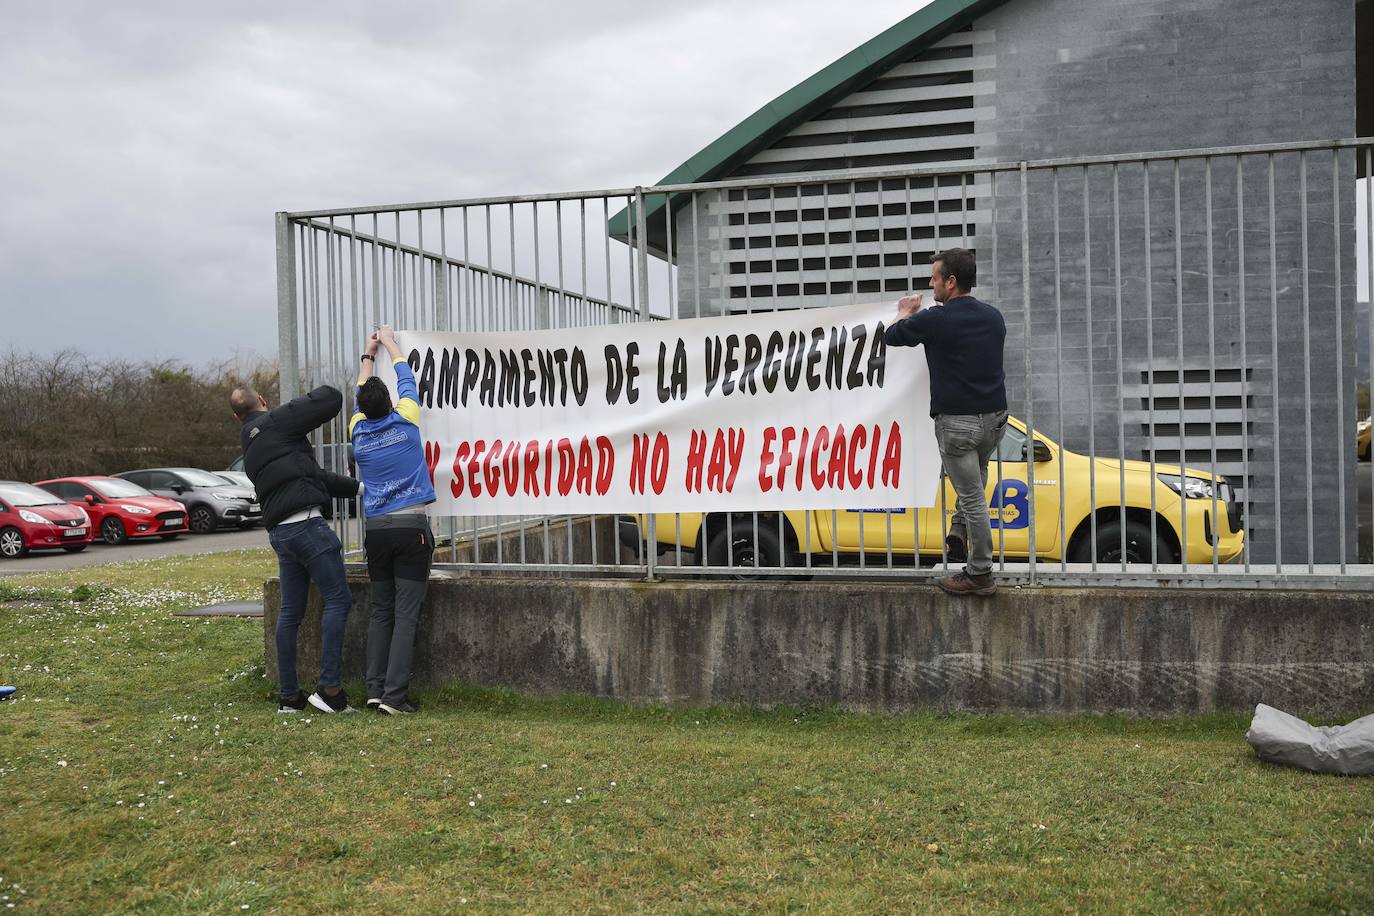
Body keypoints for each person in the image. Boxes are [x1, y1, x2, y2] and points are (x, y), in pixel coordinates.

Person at [884, 247, 1007, 596]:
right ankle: (958, 529)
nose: (930, 283)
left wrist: (905, 312)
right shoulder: (994, 316)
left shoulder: (936, 318)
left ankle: (980, 573)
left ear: (951, 282)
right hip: (995, 421)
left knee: (971, 496)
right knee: (977, 476)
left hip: (958, 425)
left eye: (935, 277)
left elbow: (892, 336)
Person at [230, 383, 360, 713]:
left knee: (290, 613)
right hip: (306, 527)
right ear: (262, 401)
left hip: (282, 536)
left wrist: (359, 488)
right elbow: (330, 398)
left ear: (236, 417)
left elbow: (312, 476)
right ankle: (330, 690)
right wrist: (288, 412)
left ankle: (289, 697)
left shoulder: (251, 448)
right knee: (339, 598)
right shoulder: (275, 422)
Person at [350, 325, 436, 716]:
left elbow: (360, 392)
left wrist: (368, 354)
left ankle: (373, 689)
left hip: (376, 532)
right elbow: (406, 377)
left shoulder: (357, 432)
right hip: (411, 529)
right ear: (390, 402)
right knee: (405, 614)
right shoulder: (406, 419)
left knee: (381, 610)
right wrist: (389, 343)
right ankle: (394, 698)